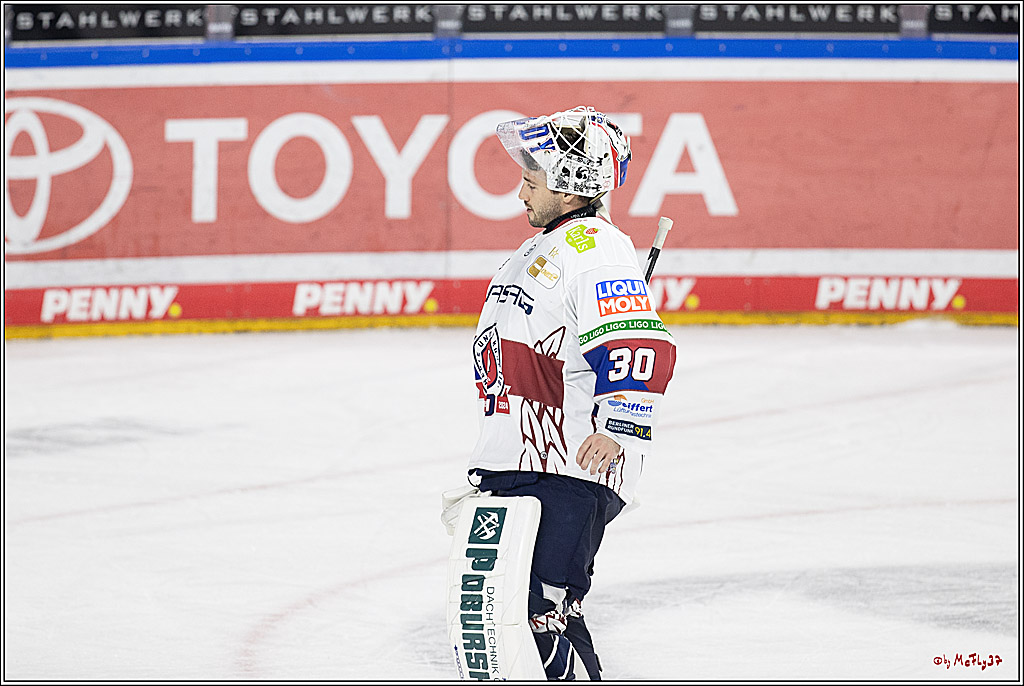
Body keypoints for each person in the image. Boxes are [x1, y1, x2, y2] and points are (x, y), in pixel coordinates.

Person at [464, 106, 675, 680]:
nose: (518, 194)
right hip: (520, 460)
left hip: (569, 466)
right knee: (493, 622)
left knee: (543, 615)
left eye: (530, 182)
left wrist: (622, 424)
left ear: (572, 182)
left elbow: (640, 341)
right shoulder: (548, 247)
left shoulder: (596, 249)